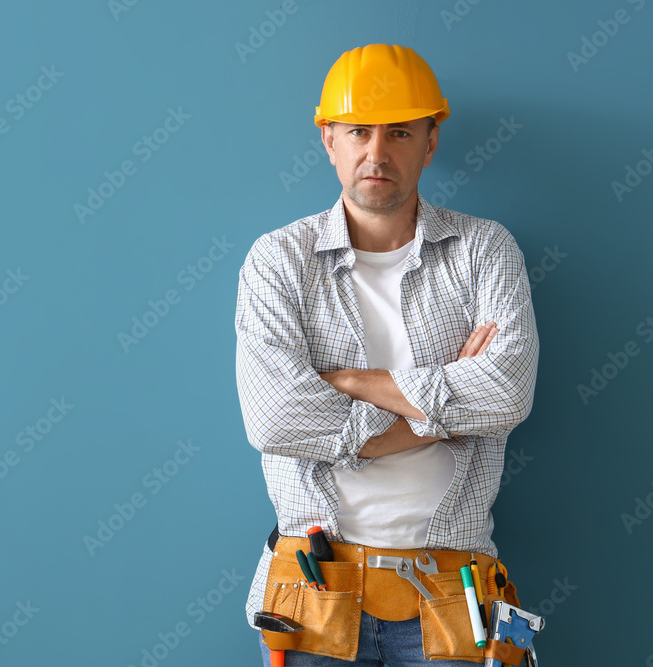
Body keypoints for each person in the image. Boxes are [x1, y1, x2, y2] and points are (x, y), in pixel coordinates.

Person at [235, 43, 539, 666]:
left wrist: (348, 380)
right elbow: (273, 420)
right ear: (329, 139)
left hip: (455, 592)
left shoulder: (485, 251)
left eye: (400, 133)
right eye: (358, 132)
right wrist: (443, 408)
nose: (377, 153)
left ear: (430, 142)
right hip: (314, 593)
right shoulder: (277, 261)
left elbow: (506, 394)